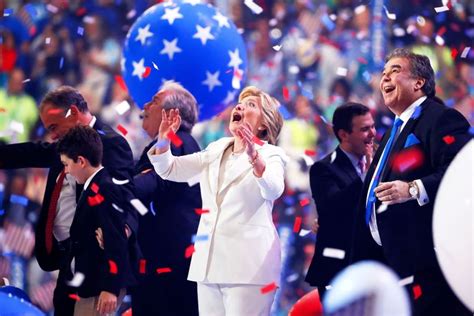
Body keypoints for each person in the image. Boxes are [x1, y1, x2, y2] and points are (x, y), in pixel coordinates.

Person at [148, 86, 287, 315]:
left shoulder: (272, 154)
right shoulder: (217, 148)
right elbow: (170, 169)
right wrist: (164, 141)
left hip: (248, 269)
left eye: (252, 105)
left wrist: (255, 159)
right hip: (208, 265)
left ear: (264, 125)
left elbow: (273, 189)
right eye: (241, 103)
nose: (241, 106)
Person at [351, 48, 471, 315]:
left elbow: (462, 172)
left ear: (419, 83)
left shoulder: (440, 117)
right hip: (393, 265)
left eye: (395, 71)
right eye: (383, 74)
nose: (385, 78)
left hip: (429, 266)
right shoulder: (392, 134)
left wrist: (414, 188)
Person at [0, 85, 135, 315]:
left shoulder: (111, 144)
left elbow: (124, 201)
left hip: (95, 264)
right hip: (67, 259)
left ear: (72, 112)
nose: (52, 135)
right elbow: (32, 151)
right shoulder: (66, 144)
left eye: (54, 127)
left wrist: (126, 229)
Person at [131, 82, 201, 316]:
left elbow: (152, 182)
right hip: (170, 265)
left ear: (172, 115)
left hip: (170, 269)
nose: (146, 105)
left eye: (154, 100)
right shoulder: (178, 143)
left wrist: (113, 188)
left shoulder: (178, 142)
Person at [57, 126, 136, 316]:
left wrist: (110, 288)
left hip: (100, 288)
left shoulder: (105, 188)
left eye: (67, 164)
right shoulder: (94, 185)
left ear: (81, 161)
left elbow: (116, 241)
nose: (66, 171)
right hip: (90, 285)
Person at [305, 102, 376, 301]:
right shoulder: (323, 169)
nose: (372, 133)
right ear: (344, 134)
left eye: (372, 126)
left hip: (375, 268)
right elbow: (331, 209)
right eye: (364, 129)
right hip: (337, 270)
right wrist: (367, 178)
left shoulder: (381, 161)